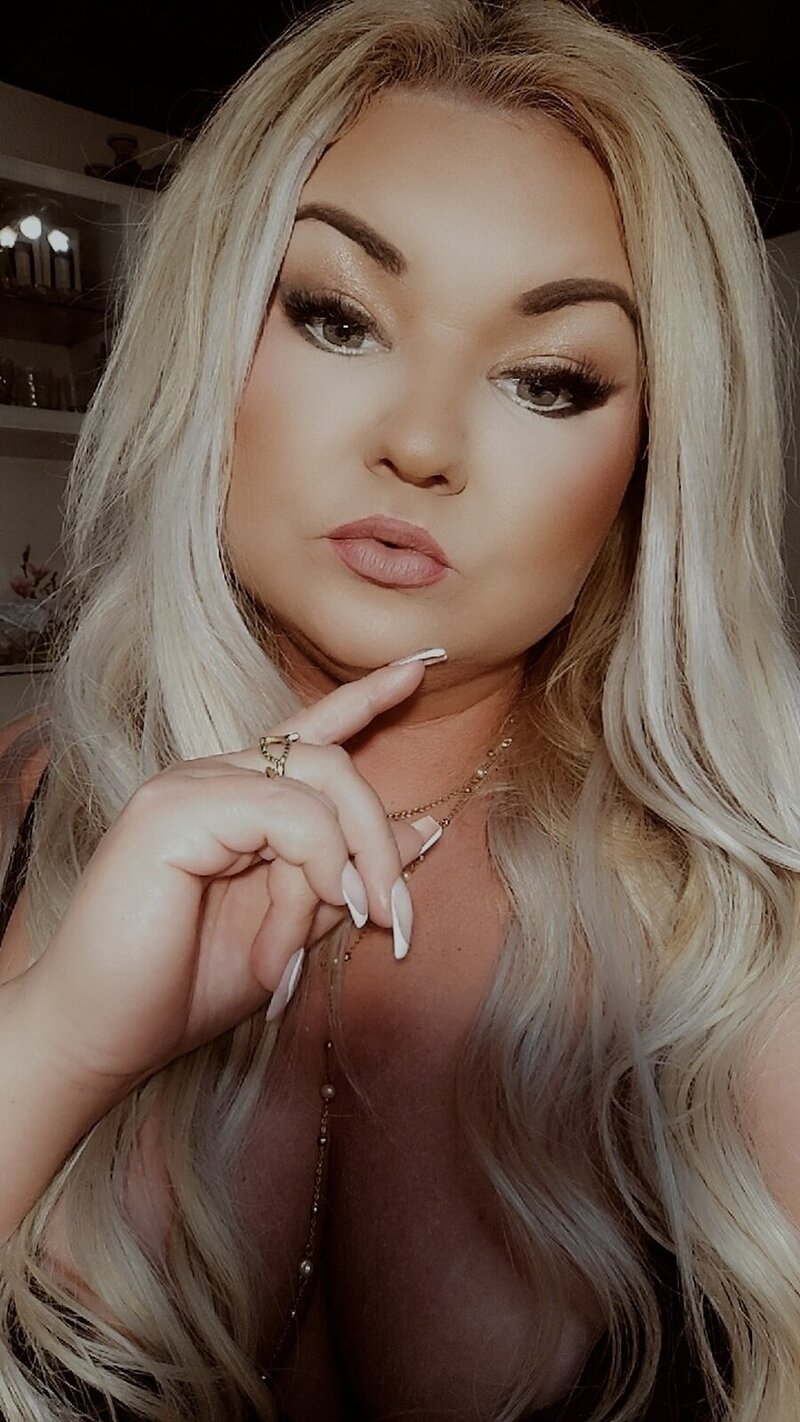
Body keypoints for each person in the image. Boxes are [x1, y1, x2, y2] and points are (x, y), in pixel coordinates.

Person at [1, 0, 799, 1417]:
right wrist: (52, 1046)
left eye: (549, 379)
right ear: (207, 340)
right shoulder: (21, 810)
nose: (422, 443)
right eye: (337, 316)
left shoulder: (744, 931)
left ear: (652, 458)